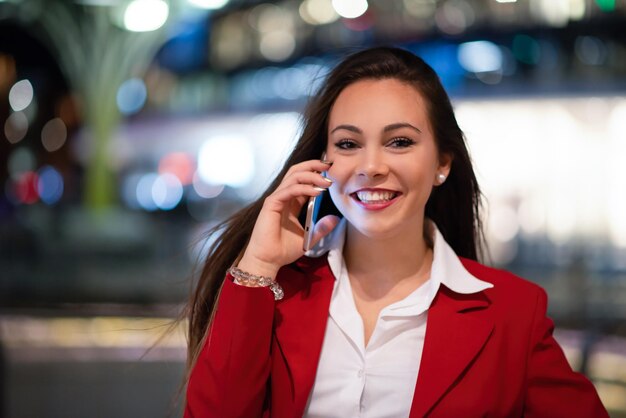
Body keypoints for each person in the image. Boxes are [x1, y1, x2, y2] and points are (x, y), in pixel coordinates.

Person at [184, 47, 608, 417]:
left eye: (400, 142)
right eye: (349, 144)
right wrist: (258, 264)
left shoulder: (513, 314)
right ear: (323, 161)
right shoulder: (275, 290)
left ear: (442, 162)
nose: (371, 167)